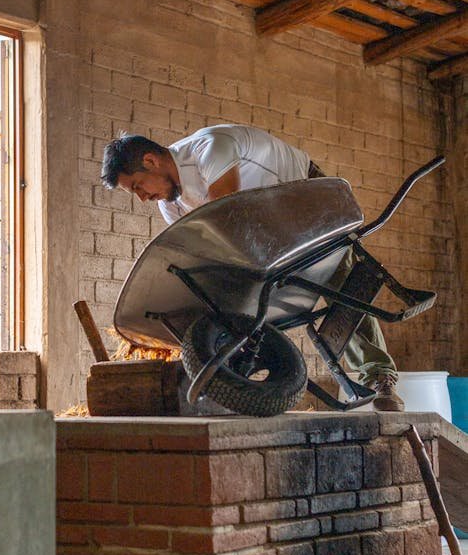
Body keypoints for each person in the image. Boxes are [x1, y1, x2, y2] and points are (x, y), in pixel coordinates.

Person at [101, 123, 404, 412]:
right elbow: (207, 248)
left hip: (301, 190)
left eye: (138, 186)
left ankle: (379, 377)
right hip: (259, 222)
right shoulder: (170, 205)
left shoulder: (209, 148)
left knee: (339, 274)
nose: (142, 198)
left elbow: (227, 216)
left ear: (151, 160)